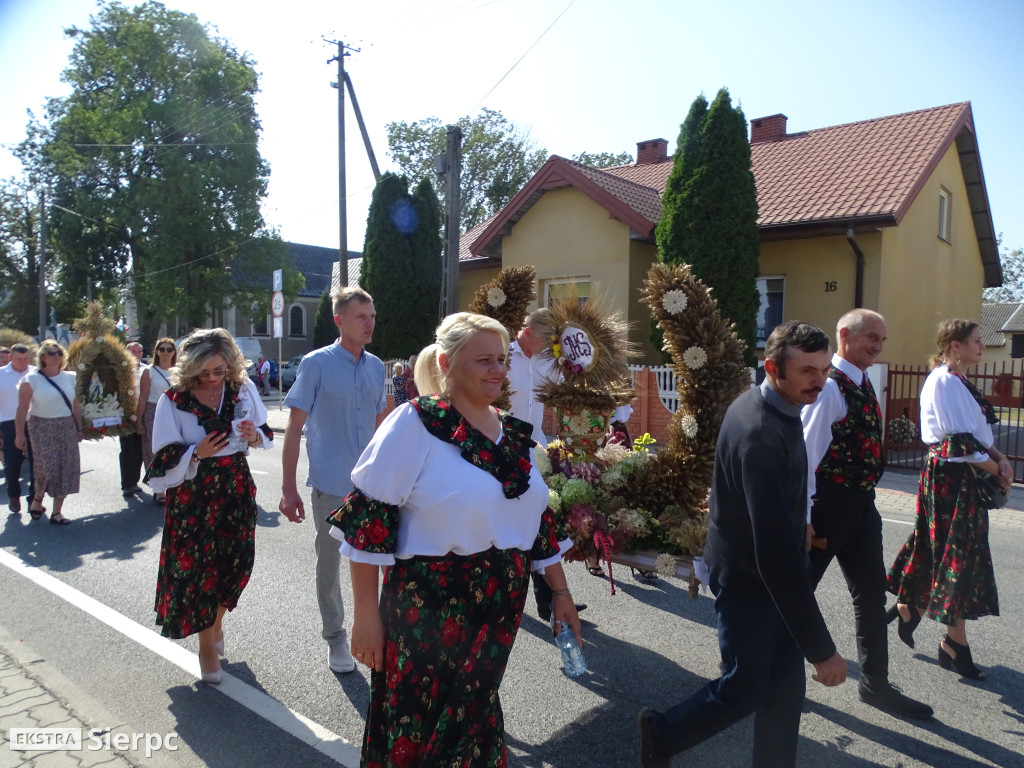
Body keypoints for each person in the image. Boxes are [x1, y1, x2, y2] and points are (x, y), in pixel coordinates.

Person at [329, 312, 581, 767]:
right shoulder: (415, 424)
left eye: (502, 360)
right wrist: (366, 614)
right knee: (424, 726)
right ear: (446, 363)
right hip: (429, 608)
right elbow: (368, 524)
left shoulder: (513, 435)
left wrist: (559, 592)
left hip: (498, 607)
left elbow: (535, 518)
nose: (498, 370)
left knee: (474, 718)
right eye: (484, 360)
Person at [637, 321, 848, 768]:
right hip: (750, 580)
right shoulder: (760, 433)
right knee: (744, 688)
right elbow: (773, 557)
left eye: (825, 369)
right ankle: (661, 732)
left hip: (764, 572)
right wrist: (822, 649)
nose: (819, 380)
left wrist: (799, 521)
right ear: (772, 368)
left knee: (785, 692)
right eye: (808, 369)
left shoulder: (779, 406)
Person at [801, 309, 932, 718]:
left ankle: (875, 684)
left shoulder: (861, 382)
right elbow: (806, 456)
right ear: (844, 335)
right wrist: (803, 517)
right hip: (827, 506)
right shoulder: (828, 388)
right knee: (795, 594)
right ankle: (768, 676)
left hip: (862, 506)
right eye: (871, 337)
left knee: (871, 596)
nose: (877, 345)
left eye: (882, 339)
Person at [145, 328, 272, 684]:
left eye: (220, 370)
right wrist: (195, 453)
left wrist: (254, 437)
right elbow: (162, 455)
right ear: (191, 368)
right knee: (201, 568)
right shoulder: (173, 400)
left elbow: (264, 433)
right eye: (205, 372)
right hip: (194, 490)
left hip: (235, 483)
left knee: (236, 561)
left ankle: (215, 622)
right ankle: (205, 645)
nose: (214, 378)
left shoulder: (242, 389)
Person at [886, 319, 1010, 682]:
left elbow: (977, 436)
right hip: (949, 479)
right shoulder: (943, 381)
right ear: (955, 346)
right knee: (955, 556)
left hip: (962, 477)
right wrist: (998, 470)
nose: (982, 347)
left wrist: (1000, 460)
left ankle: (914, 608)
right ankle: (954, 643)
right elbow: (959, 445)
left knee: (953, 554)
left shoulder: (959, 381)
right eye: (975, 341)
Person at [279, 286, 386, 674]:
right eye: (362, 317)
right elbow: (293, 430)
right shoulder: (316, 364)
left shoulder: (376, 366)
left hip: (373, 487)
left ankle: (378, 629)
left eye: (372, 315)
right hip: (331, 483)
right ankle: (335, 637)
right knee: (330, 564)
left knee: (380, 559)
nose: (370, 322)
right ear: (340, 320)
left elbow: (381, 426)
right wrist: (289, 488)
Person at [508, 309, 587, 619]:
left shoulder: (545, 361)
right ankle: (508, 600)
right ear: (527, 332)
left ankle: (549, 600)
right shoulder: (503, 356)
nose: (548, 346)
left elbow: (567, 385)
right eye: (545, 339)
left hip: (533, 451)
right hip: (499, 452)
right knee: (512, 527)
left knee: (541, 521)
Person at [14, 340, 82, 525]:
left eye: (58, 352)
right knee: (46, 467)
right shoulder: (31, 379)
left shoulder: (69, 377)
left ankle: (57, 512)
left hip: (66, 426)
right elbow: (22, 409)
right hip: (40, 427)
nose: (56, 356)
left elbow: (74, 404)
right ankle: (37, 498)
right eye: (51, 353)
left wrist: (79, 427)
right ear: (42, 357)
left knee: (66, 467)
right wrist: (19, 434)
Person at [137, 337, 177, 505]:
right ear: (157, 352)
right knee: (154, 451)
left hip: (175, 412)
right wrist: (138, 420)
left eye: (169, 349)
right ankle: (159, 490)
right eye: (162, 349)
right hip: (154, 412)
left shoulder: (180, 371)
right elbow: (143, 397)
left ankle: (173, 486)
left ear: (174, 352)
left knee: (175, 451)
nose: (166, 352)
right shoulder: (149, 372)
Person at [1, 344, 36, 513]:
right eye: (18, 359)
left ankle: (34, 499)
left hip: (35, 421)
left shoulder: (36, 373)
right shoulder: (1, 375)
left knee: (37, 462)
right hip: (9, 422)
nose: (23, 363)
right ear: (10, 358)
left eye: (26, 359)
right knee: (12, 462)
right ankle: (14, 495)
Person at [119, 341, 146, 499]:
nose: (136, 354)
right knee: (128, 450)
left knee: (141, 450)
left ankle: (134, 482)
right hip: (126, 414)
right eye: (132, 351)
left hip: (144, 413)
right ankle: (126, 484)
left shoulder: (146, 369)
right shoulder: (120, 370)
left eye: (139, 352)